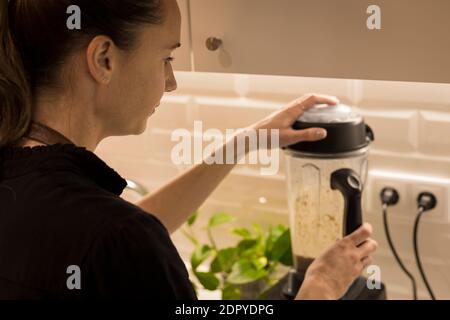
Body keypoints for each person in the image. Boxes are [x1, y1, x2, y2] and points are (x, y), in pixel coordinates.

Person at [0, 0, 377, 300]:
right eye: (166, 57)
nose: (171, 81)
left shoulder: (27, 185)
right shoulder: (119, 236)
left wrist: (243, 144)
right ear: (103, 59)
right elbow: (121, 239)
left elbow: (107, 241)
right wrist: (322, 288)